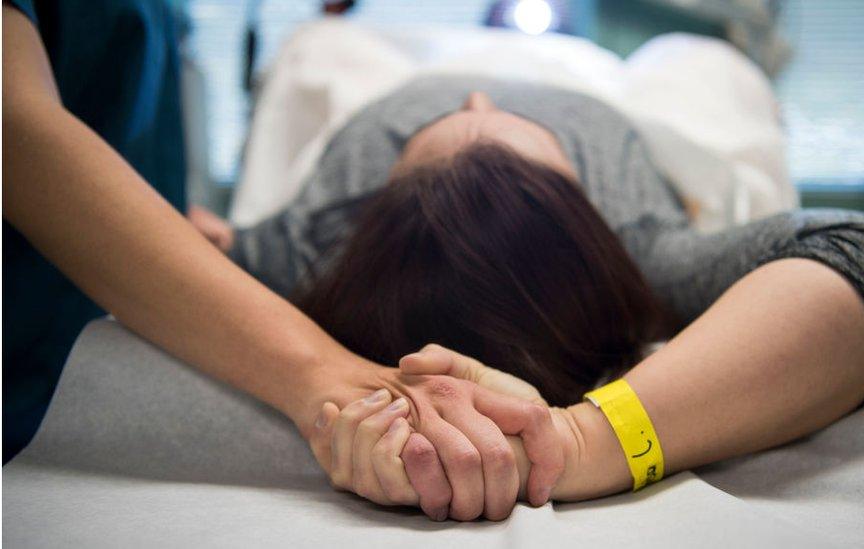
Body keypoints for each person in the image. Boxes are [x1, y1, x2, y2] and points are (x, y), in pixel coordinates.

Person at [201, 77, 864, 509]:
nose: (477, 95)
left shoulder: (309, 246)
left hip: (572, 78)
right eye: (469, 122)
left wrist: (576, 441)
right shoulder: (641, 248)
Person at [2, 2, 564, 523]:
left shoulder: (637, 228)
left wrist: (168, 223)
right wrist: (336, 378)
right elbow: (12, 122)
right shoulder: (316, 234)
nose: (476, 101)